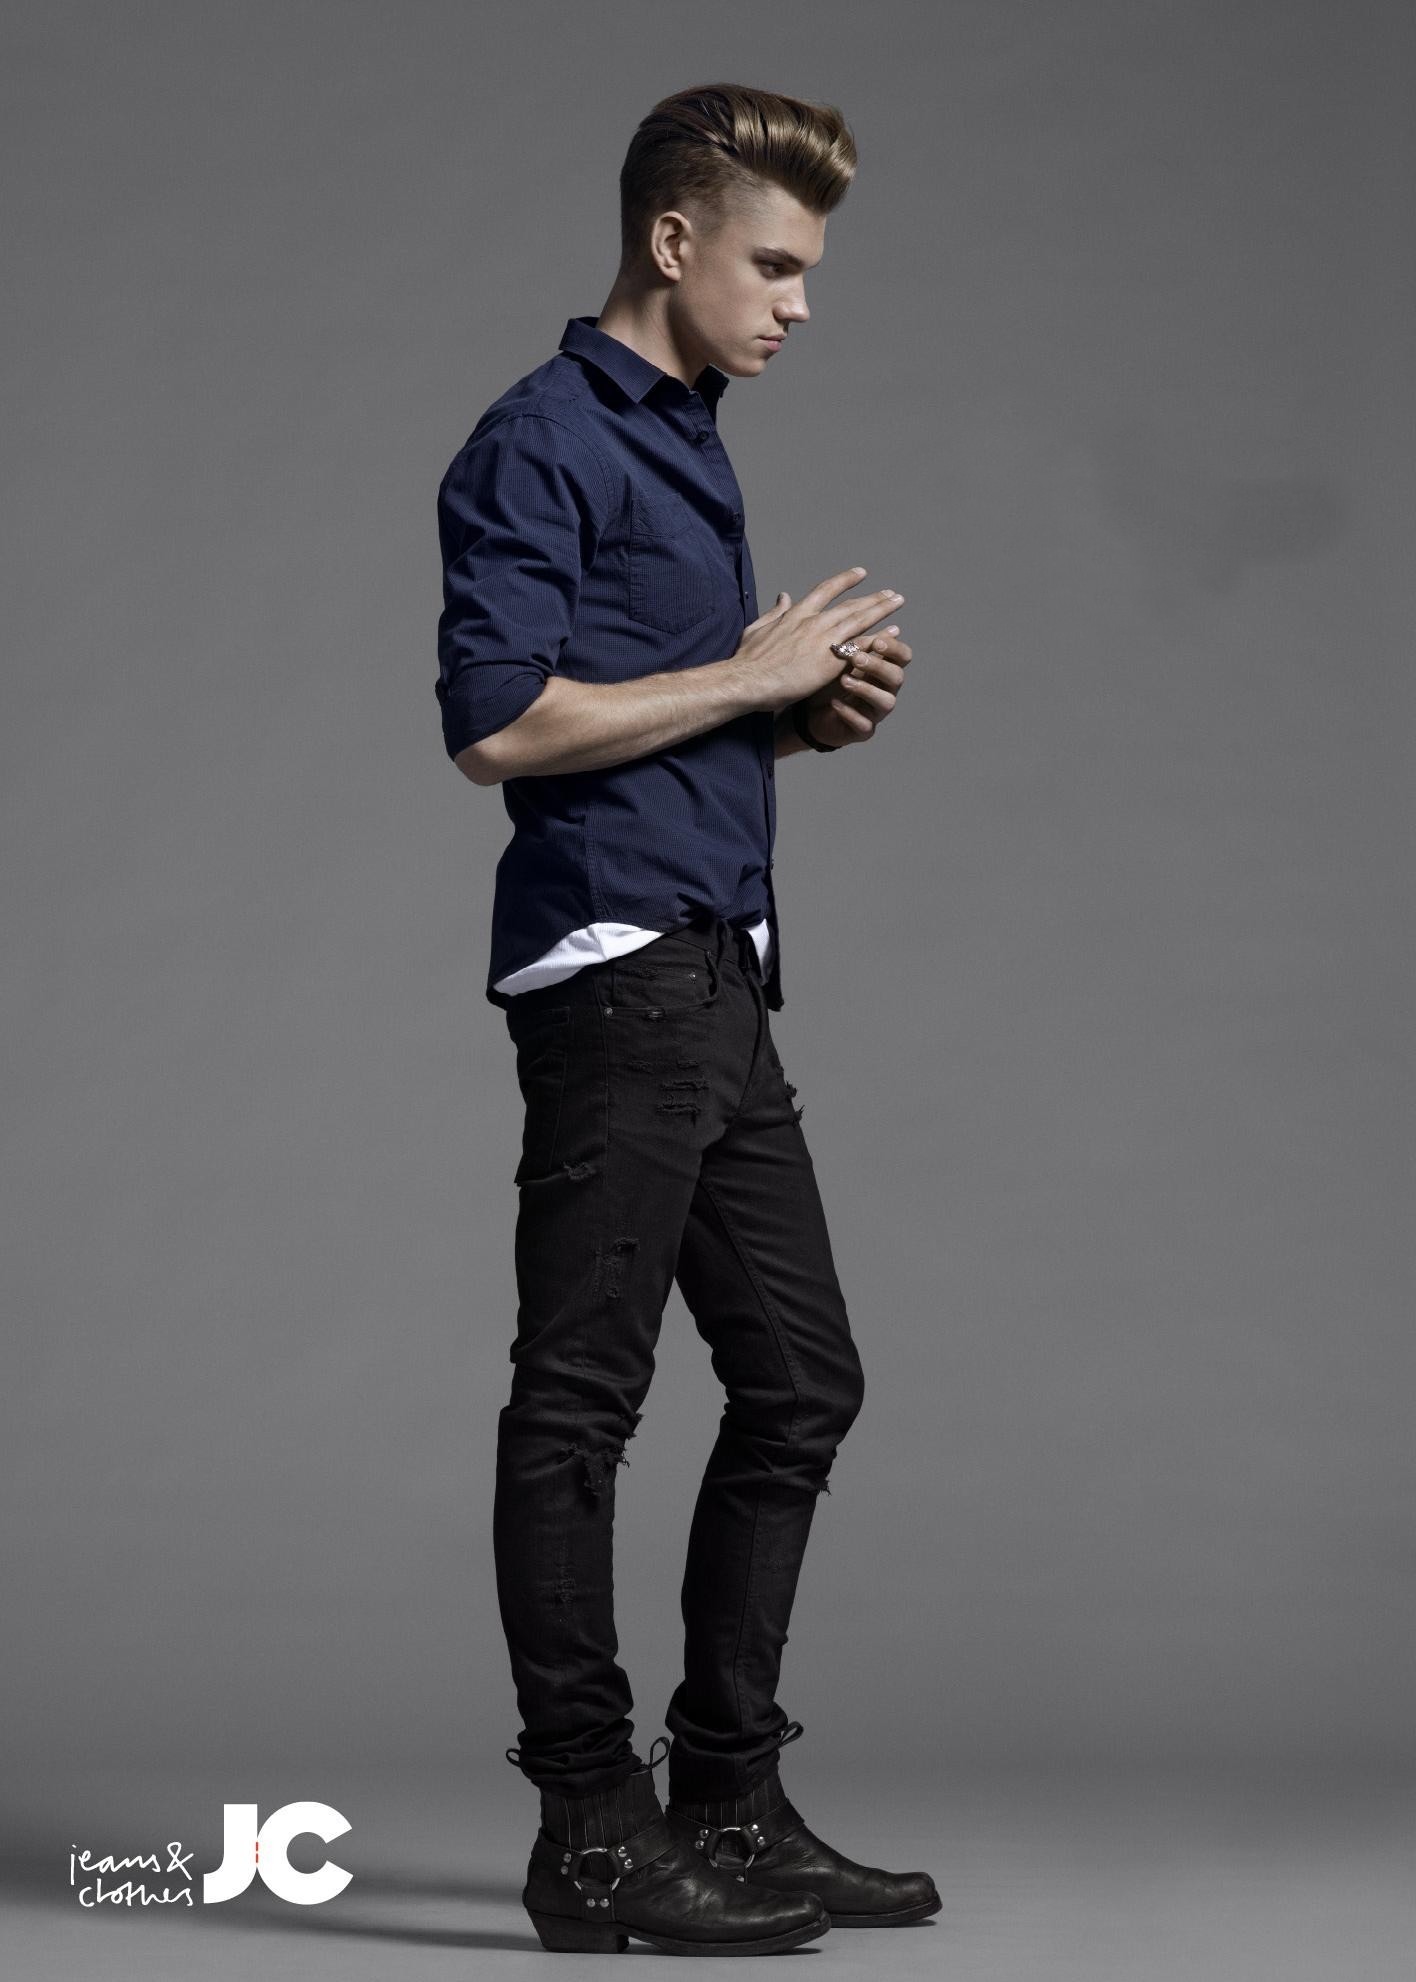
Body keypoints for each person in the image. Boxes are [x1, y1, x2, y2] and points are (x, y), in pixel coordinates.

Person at [434, 81, 936, 1957]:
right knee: (580, 1400)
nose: (799, 304)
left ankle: (728, 1795)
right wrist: (745, 673)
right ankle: (589, 1829)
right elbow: (498, 723)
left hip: (722, 972)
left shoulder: (688, 438)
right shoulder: (541, 438)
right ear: (674, 240)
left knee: (803, 1378)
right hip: (618, 977)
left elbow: (649, 712)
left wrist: (792, 714)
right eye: (777, 266)